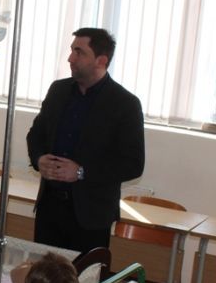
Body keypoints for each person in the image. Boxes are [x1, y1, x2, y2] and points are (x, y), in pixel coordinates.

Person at [26, 28, 145, 254]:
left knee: (85, 276)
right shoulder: (58, 90)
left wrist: (81, 172)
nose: (70, 58)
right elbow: (36, 134)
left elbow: (133, 164)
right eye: (72, 50)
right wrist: (39, 159)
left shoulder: (125, 104)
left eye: (79, 52)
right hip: (50, 208)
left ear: (101, 60)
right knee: (43, 274)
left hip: (91, 215)